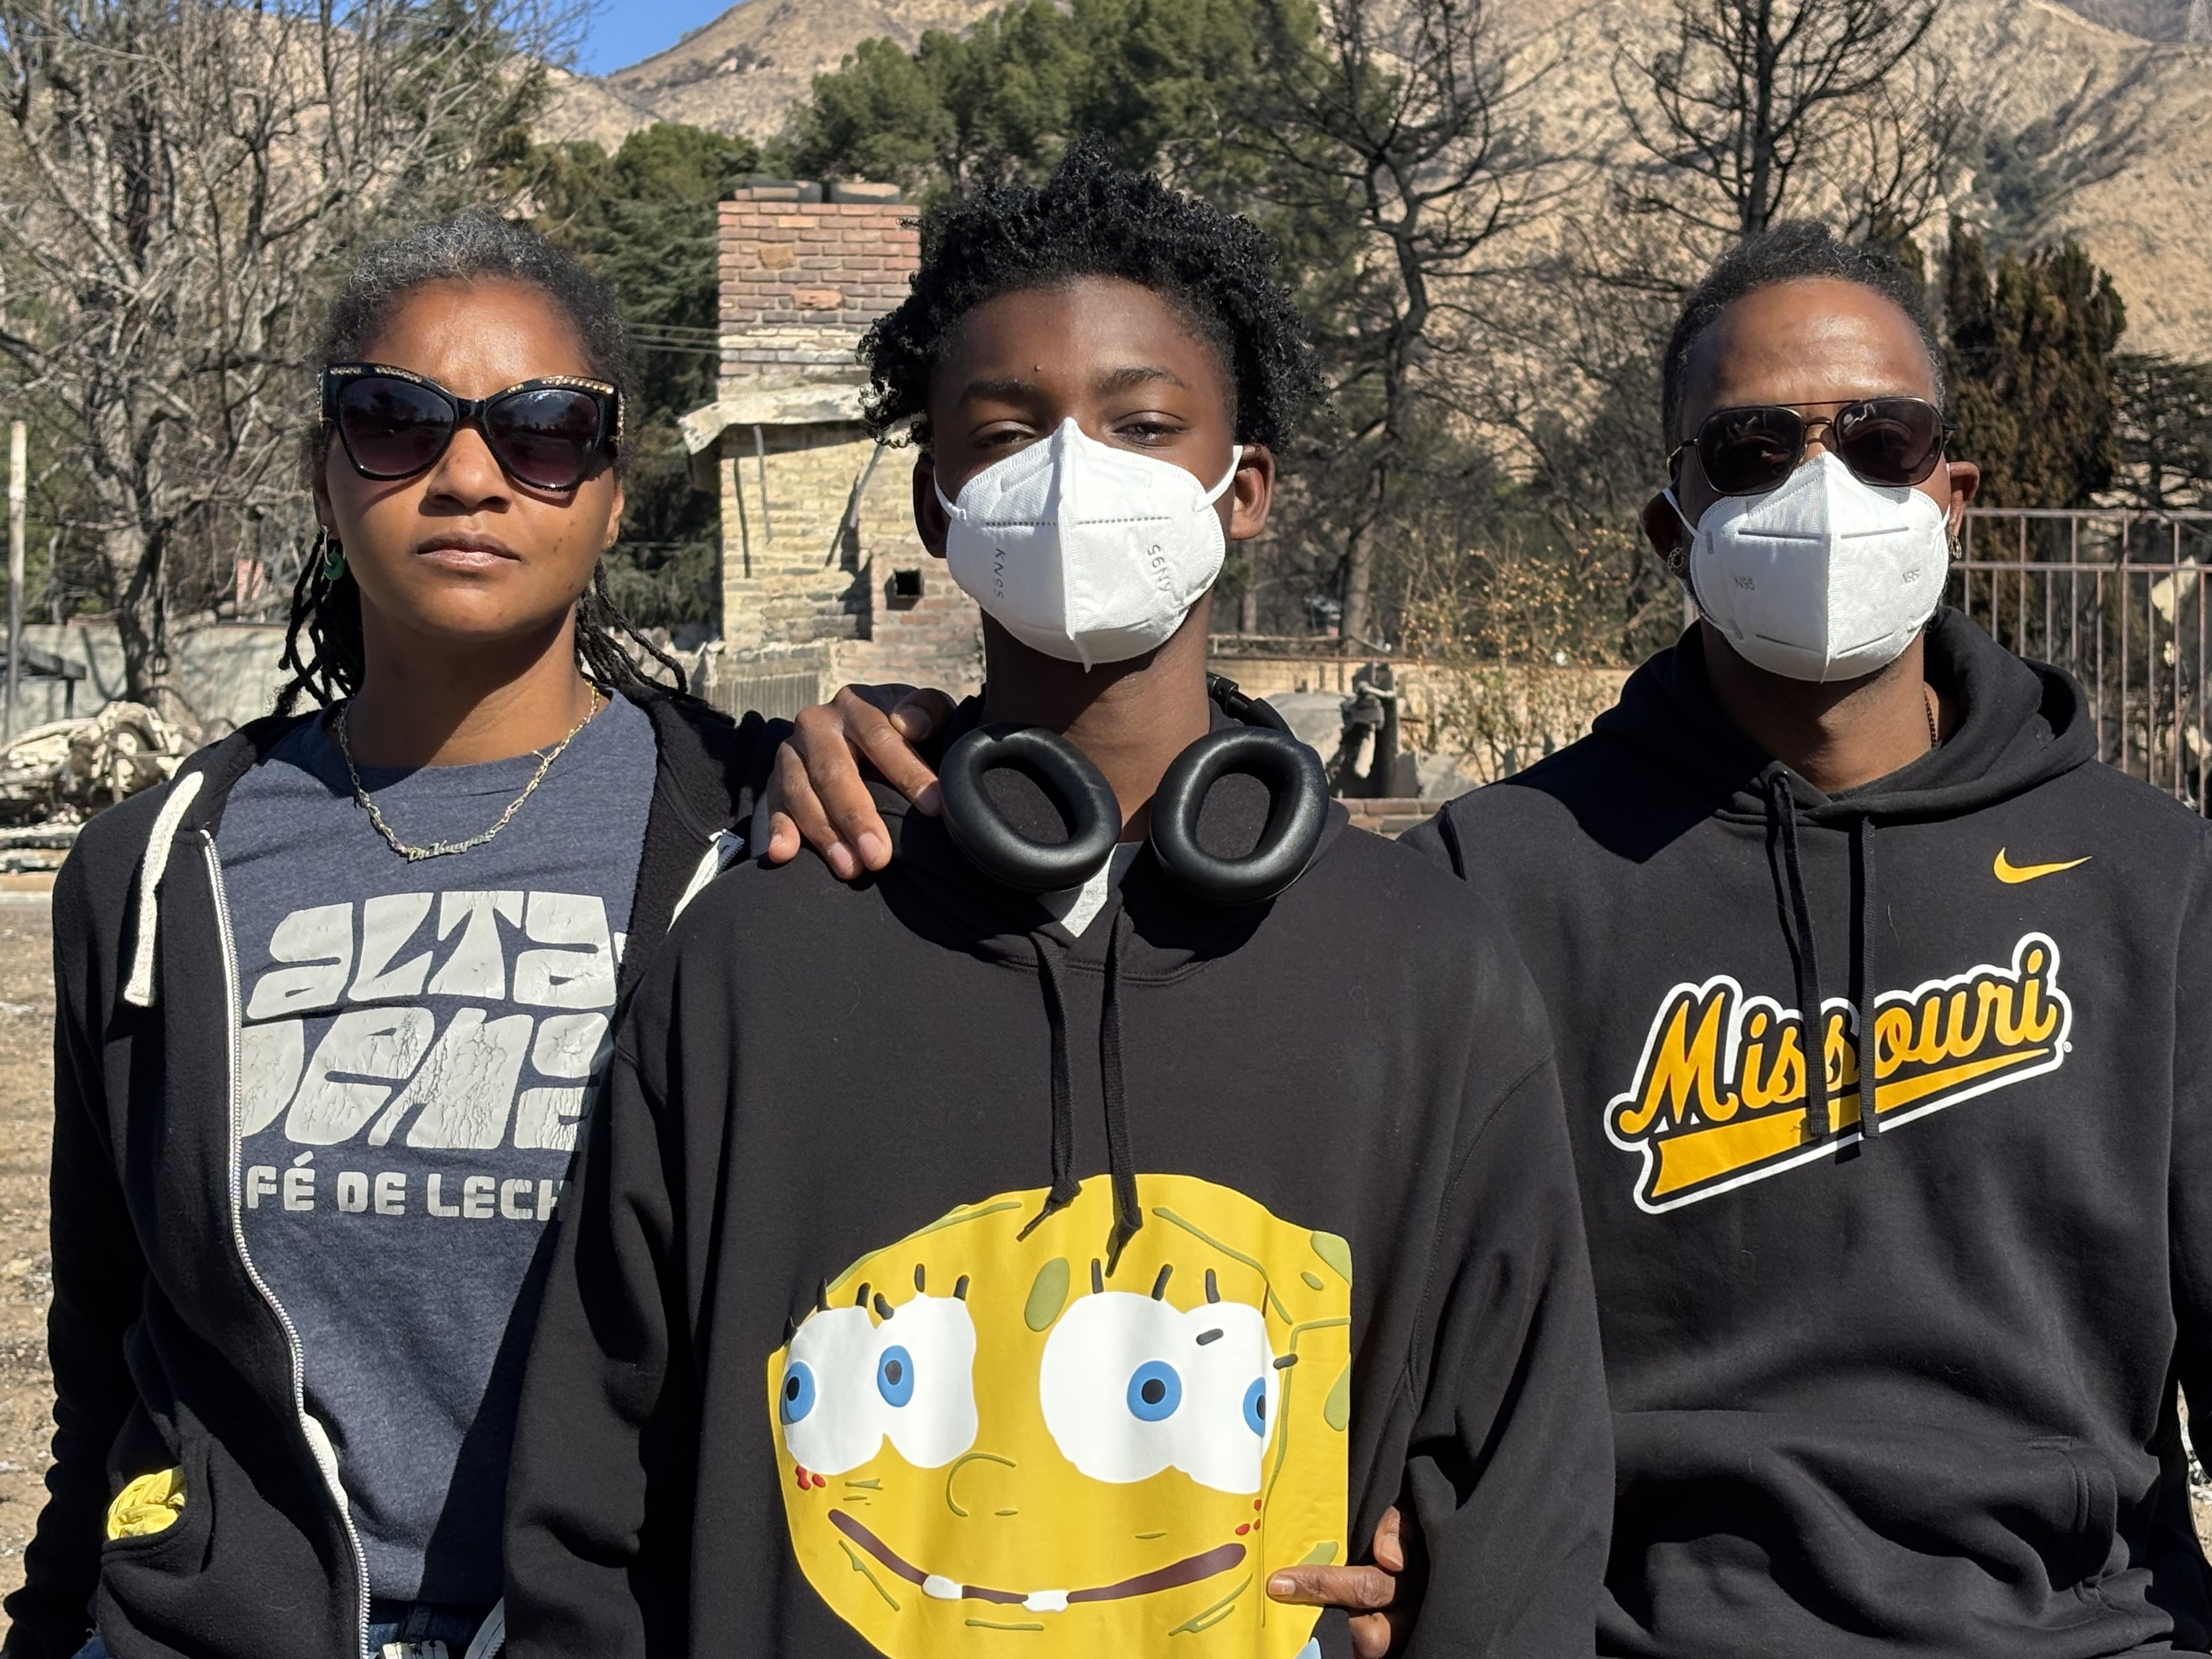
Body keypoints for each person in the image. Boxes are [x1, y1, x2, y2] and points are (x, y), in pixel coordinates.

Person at [765, 219, 2212, 1659]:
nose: (1824, 491)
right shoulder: (1502, 877)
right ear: (1671, 521)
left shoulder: (2159, 886)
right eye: (1755, 451)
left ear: (1952, 491)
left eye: (1879, 442)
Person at [502, 142, 1611, 1659]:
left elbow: (1520, 1503)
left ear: (1250, 490)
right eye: (1008, 429)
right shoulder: (763, 951)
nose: (1075, 469)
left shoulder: (1423, 972)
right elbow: (590, 1509)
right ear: (938, 501)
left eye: (1145, 423)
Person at [1, 213, 925, 1659]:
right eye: (396, 422)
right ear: (325, 474)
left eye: (546, 432)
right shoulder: (153, 872)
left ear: (614, 495)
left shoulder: (764, 836)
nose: (471, 476)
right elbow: (111, 1366)